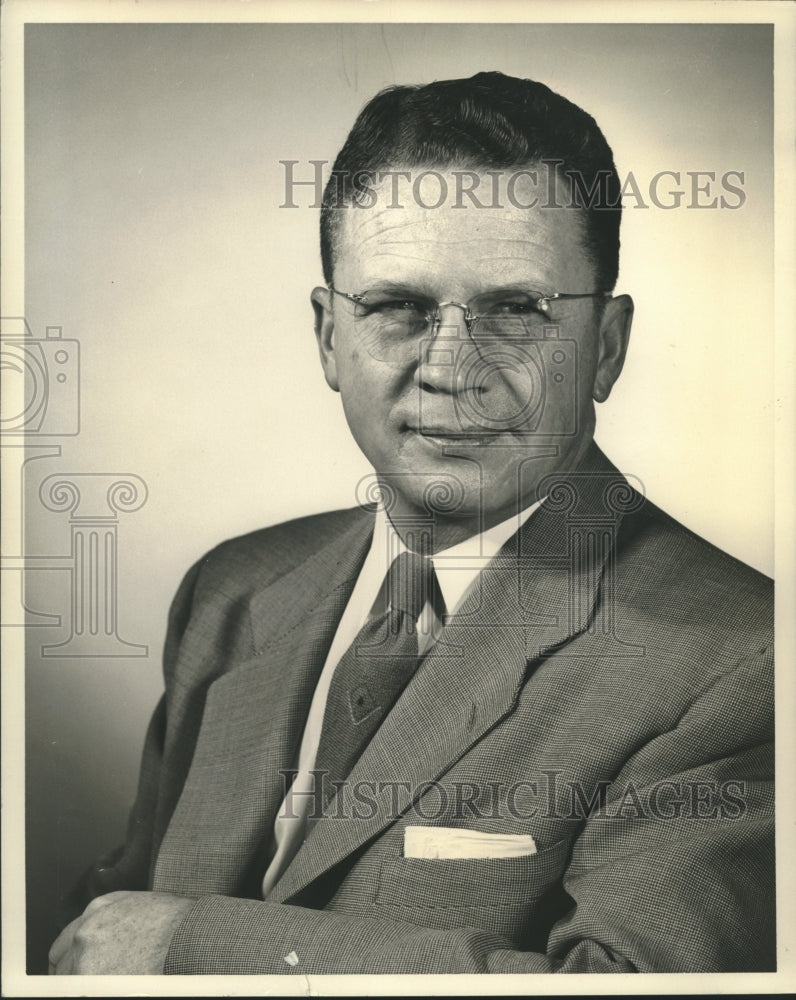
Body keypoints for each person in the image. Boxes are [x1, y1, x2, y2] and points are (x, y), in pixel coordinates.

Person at [48, 71, 774, 976]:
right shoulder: (232, 592)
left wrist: (194, 950)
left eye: (517, 310)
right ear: (326, 338)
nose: (450, 368)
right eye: (398, 307)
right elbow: (105, 929)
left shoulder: (746, 660)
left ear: (609, 348)